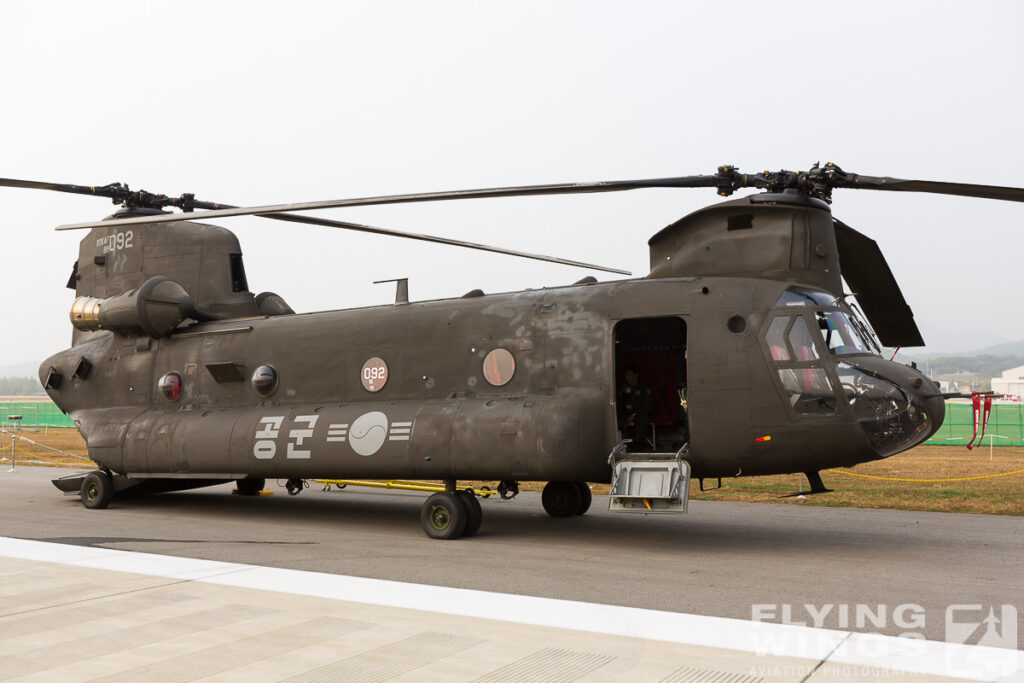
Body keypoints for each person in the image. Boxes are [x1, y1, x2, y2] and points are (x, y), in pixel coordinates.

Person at [619, 366, 653, 451]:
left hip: (638, 415)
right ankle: (621, 444)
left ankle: (639, 444)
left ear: (636, 375)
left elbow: (647, 406)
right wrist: (621, 393)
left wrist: (634, 414)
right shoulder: (626, 388)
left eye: (630, 374)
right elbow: (620, 404)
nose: (627, 377)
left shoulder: (643, 388)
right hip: (627, 414)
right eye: (626, 375)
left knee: (642, 418)